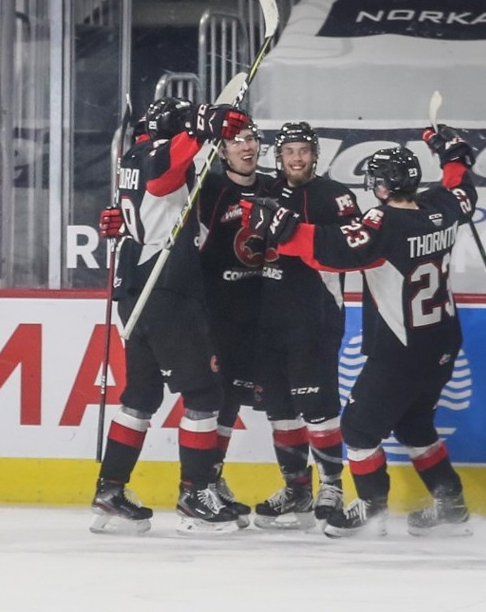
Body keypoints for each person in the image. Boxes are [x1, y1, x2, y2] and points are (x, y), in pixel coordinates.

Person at [241, 127, 479, 537]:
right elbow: (461, 187)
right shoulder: (441, 206)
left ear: (383, 187)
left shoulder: (384, 223)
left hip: (401, 347)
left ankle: (372, 509)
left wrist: (281, 225)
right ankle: (451, 504)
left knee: (358, 429)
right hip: (442, 342)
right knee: (414, 424)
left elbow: (330, 252)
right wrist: (453, 152)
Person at [90, 96, 249, 535]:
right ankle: (195, 494)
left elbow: (149, 206)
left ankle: (110, 491)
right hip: (167, 295)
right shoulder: (158, 154)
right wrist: (204, 125)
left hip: (135, 293)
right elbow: (163, 177)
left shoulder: (132, 155)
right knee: (204, 394)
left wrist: (206, 128)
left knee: (140, 395)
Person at [250, 122, 361, 531]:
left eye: (304, 151)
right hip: (268, 318)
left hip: (315, 316)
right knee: (280, 411)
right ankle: (296, 488)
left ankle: (332, 485)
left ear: (316, 155)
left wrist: (299, 232)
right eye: (290, 151)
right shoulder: (264, 192)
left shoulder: (337, 197)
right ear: (278, 156)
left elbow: (354, 249)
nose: (297, 158)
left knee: (318, 408)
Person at [196, 117, 276, 528]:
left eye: (251, 140)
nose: (246, 147)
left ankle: (215, 475)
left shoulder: (272, 187)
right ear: (222, 150)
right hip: (218, 312)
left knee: (246, 398)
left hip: (261, 311)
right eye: (236, 141)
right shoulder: (208, 189)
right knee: (218, 398)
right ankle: (203, 481)